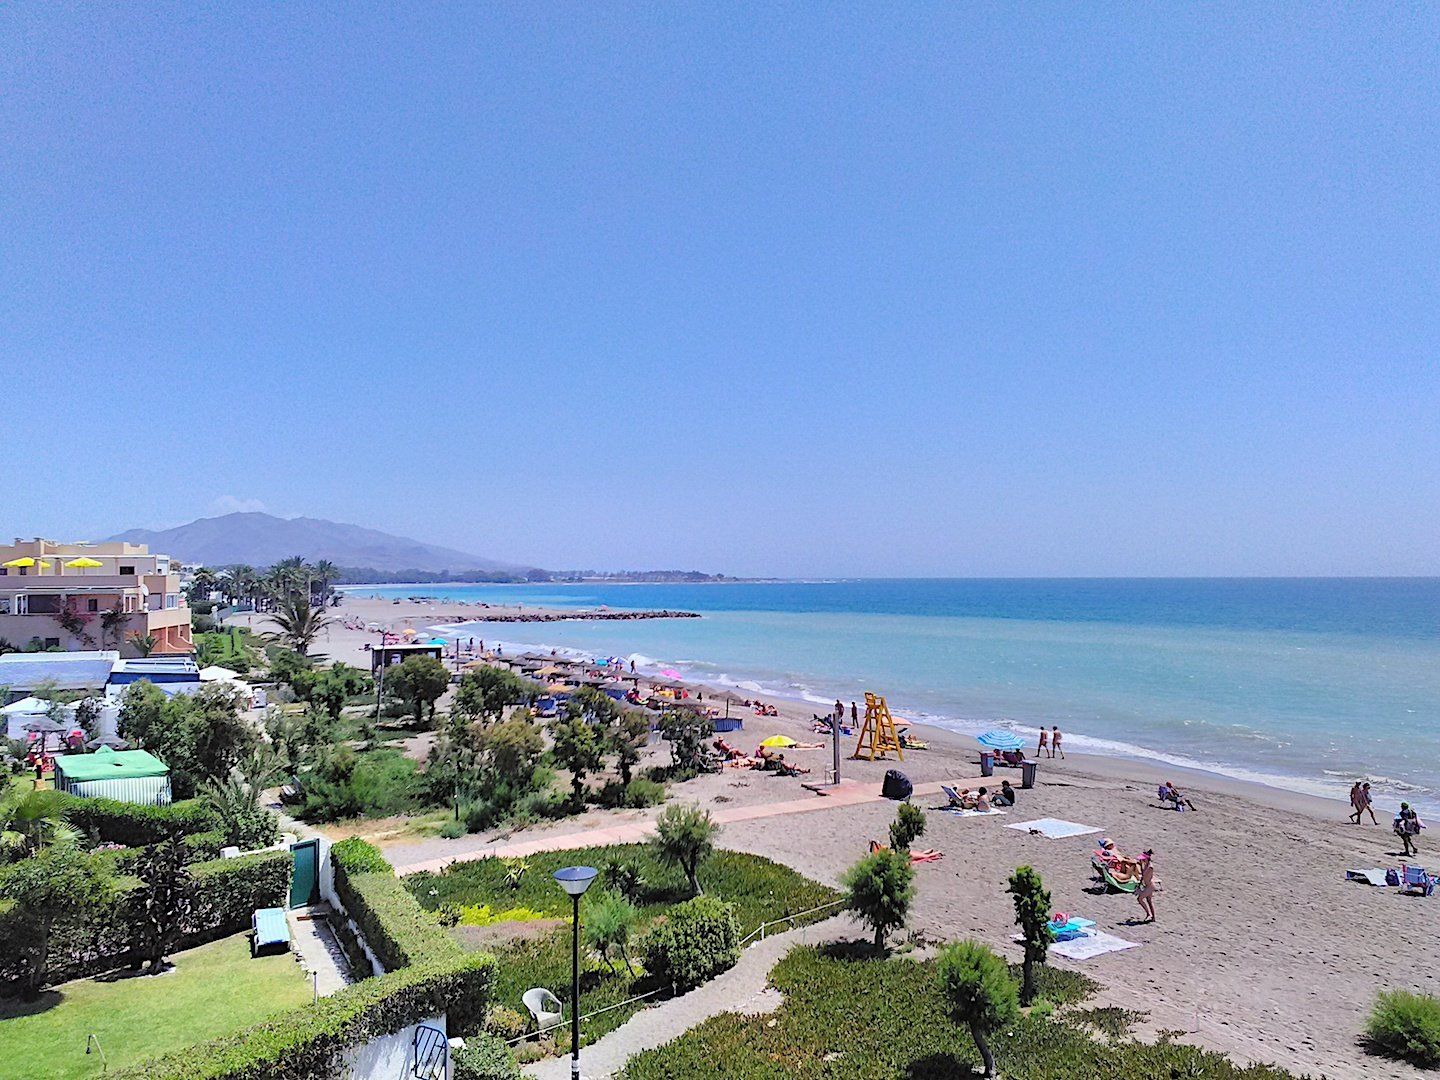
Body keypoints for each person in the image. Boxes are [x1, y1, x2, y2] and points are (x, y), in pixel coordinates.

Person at [1136, 850, 1158, 922]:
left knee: (1140, 899)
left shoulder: (1150, 867)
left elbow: (1144, 875)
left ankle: (1148, 914)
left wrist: (1141, 867)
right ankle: (1153, 917)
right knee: (1149, 901)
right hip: (1148, 885)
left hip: (1150, 886)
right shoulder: (1146, 864)